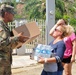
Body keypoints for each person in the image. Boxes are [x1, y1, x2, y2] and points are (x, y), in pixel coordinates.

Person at [0, 4, 29, 75]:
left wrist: (17, 43)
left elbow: (7, 43)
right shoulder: (0, 25)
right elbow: (2, 43)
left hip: (5, 63)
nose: (14, 15)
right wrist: (17, 38)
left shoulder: (5, 25)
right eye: (12, 13)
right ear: (6, 14)